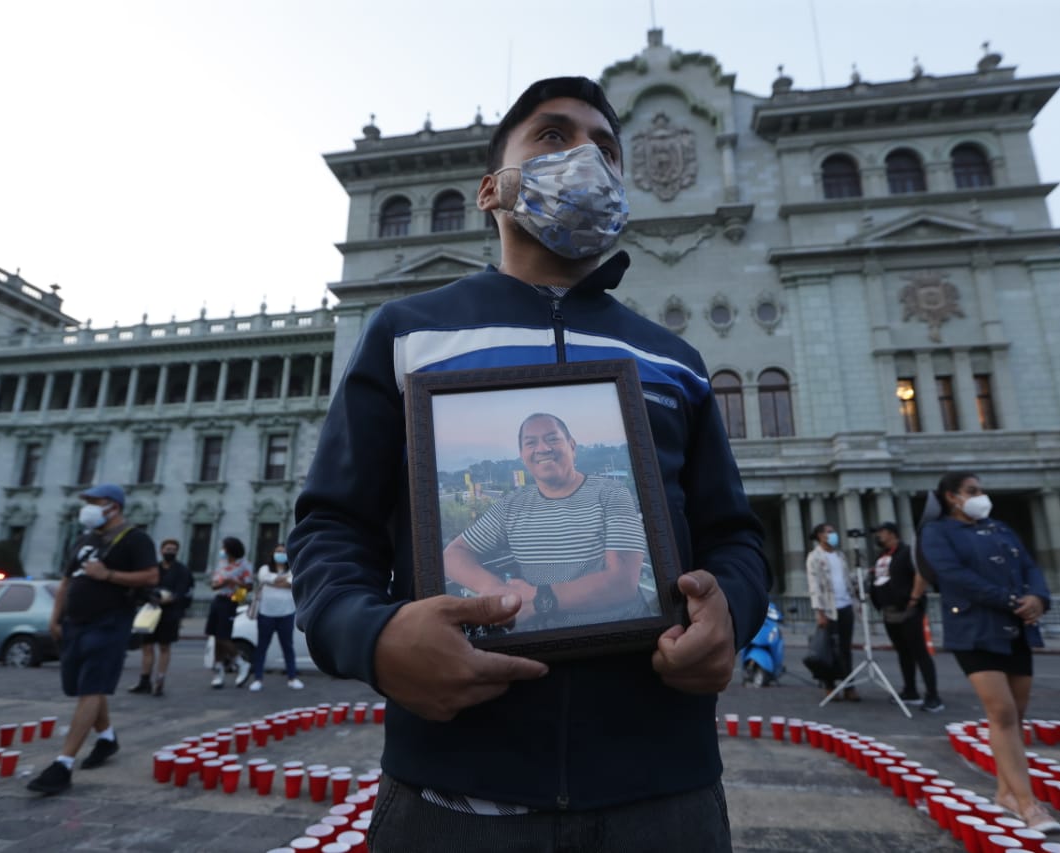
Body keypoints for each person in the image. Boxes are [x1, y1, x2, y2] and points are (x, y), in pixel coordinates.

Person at [290, 76, 769, 852]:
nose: (586, 157)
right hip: (450, 793)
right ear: (492, 189)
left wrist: (732, 612)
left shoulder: (672, 359)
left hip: (664, 792)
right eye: (552, 136)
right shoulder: (407, 335)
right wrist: (372, 636)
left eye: (606, 148)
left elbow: (733, 534)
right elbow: (333, 524)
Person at [919, 471, 1060, 835]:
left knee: (1016, 715)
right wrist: (1011, 600)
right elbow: (954, 575)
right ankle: (1029, 804)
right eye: (972, 491)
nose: (980, 496)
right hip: (974, 629)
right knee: (1002, 713)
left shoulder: (1000, 529)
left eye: (980, 490)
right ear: (951, 497)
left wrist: (1038, 597)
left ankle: (1006, 793)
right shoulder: (937, 533)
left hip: (1015, 629)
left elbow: (1029, 566)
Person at [442, 412, 648, 632]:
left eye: (553, 439)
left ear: (572, 446)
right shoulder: (511, 505)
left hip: (617, 634)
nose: (542, 448)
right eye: (531, 443)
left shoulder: (611, 493)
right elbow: (453, 554)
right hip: (541, 640)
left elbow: (623, 583)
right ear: (522, 455)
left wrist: (539, 600)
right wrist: (495, 588)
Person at [26, 484, 158, 795]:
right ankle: (107, 738)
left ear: (113, 506)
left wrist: (108, 575)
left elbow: (151, 576)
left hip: (110, 622)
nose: (88, 508)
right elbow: (66, 581)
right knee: (82, 686)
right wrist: (56, 617)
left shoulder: (135, 539)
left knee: (92, 688)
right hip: (75, 623)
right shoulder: (84, 540)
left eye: (95, 502)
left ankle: (63, 764)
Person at [868, 522, 942, 711]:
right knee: (903, 652)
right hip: (889, 610)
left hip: (908, 610)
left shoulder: (908, 552)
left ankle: (933, 695)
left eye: (881, 532)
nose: (878, 536)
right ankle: (910, 690)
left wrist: (914, 598)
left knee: (920, 652)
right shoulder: (882, 556)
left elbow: (921, 574)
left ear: (892, 534)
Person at [128, 538, 194, 697]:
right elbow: (144, 587)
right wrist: (150, 597)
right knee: (147, 646)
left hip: (170, 613)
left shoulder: (182, 571)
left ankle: (160, 680)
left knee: (164, 646)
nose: (170, 552)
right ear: (161, 551)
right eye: (167, 549)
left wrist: (171, 599)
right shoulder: (154, 569)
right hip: (150, 611)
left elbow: (183, 591)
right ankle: (144, 680)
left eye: (173, 550)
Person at [805, 522, 860, 700]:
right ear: (820, 535)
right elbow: (814, 586)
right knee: (829, 650)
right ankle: (829, 685)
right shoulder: (814, 557)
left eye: (833, 531)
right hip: (829, 609)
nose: (833, 534)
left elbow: (846, 579)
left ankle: (849, 685)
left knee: (845, 649)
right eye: (829, 532)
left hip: (846, 606)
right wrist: (820, 612)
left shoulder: (840, 555)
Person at [248, 543, 304, 692]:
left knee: (288, 647)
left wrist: (275, 581)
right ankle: (258, 679)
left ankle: (292, 678)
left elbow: (292, 583)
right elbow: (266, 579)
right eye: (278, 551)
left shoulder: (293, 569)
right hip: (266, 614)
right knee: (262, 647)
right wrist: (284, 580)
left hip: (286, 613)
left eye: (283, 552)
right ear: (273, 554)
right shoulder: (264, 568)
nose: (281, 554)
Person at [206, 536, 253, 688]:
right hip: (218, 599)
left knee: (223, 637)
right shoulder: (222, 563)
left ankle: (241, 662)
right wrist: (222, 583)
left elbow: (249, 586)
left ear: (231, 549)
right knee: (216, 636)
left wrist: (234, 582)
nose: (222, 551)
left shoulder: (244, 565)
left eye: (224, 548)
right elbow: (214, 585)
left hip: (230, 601)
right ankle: (218, 671)